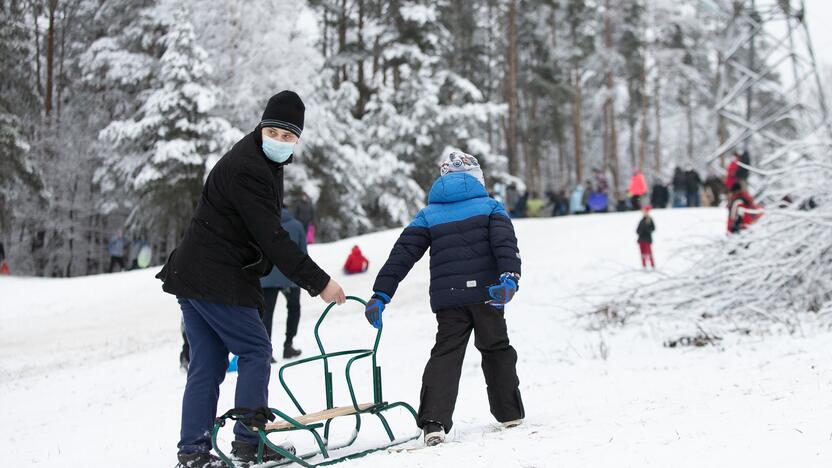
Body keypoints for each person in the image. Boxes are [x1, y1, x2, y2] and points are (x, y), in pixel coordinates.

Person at [155, 91, 346, 468]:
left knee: (207, 365)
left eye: (288, 136)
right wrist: (320, 282)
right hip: (214, 276)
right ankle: (248, 442)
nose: (279, 139)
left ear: (297, 140)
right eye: (273, 130)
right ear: (261, 126)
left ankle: (192, 453)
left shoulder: (257, 159)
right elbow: (272, 237)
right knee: (256, 351)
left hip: (193, 274)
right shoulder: (250, 168)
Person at [363, 150, 524, 447]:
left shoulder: (428, 215)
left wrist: (380, 294)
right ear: (477, 179)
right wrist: (509, 279)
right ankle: (509, 413)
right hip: (488, 295)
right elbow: (505, 245)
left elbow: (402, 256)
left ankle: (433, 422)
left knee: (446, 354)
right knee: (495, 347)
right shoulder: (490, 207)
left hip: (449, 298)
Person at [261, 207, 308, 361]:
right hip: (291, 276)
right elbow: (303, 253)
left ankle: (266, 352)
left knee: (266, 315)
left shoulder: (264, 223)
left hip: (266, 277)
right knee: (294, 309)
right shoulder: (296, 225)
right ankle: (288, 345)